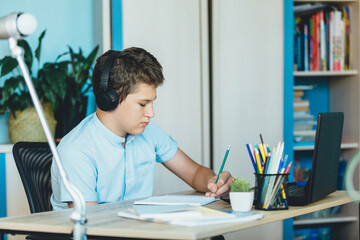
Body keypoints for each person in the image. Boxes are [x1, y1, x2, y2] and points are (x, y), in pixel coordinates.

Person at [50, 47, 233, 210]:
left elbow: (194, 173)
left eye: (152, 103)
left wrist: (213, 182)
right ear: (110, 99)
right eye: (143, 104)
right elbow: (90, 229)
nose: (151, 113)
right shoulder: (76, 151)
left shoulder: (148, 132)